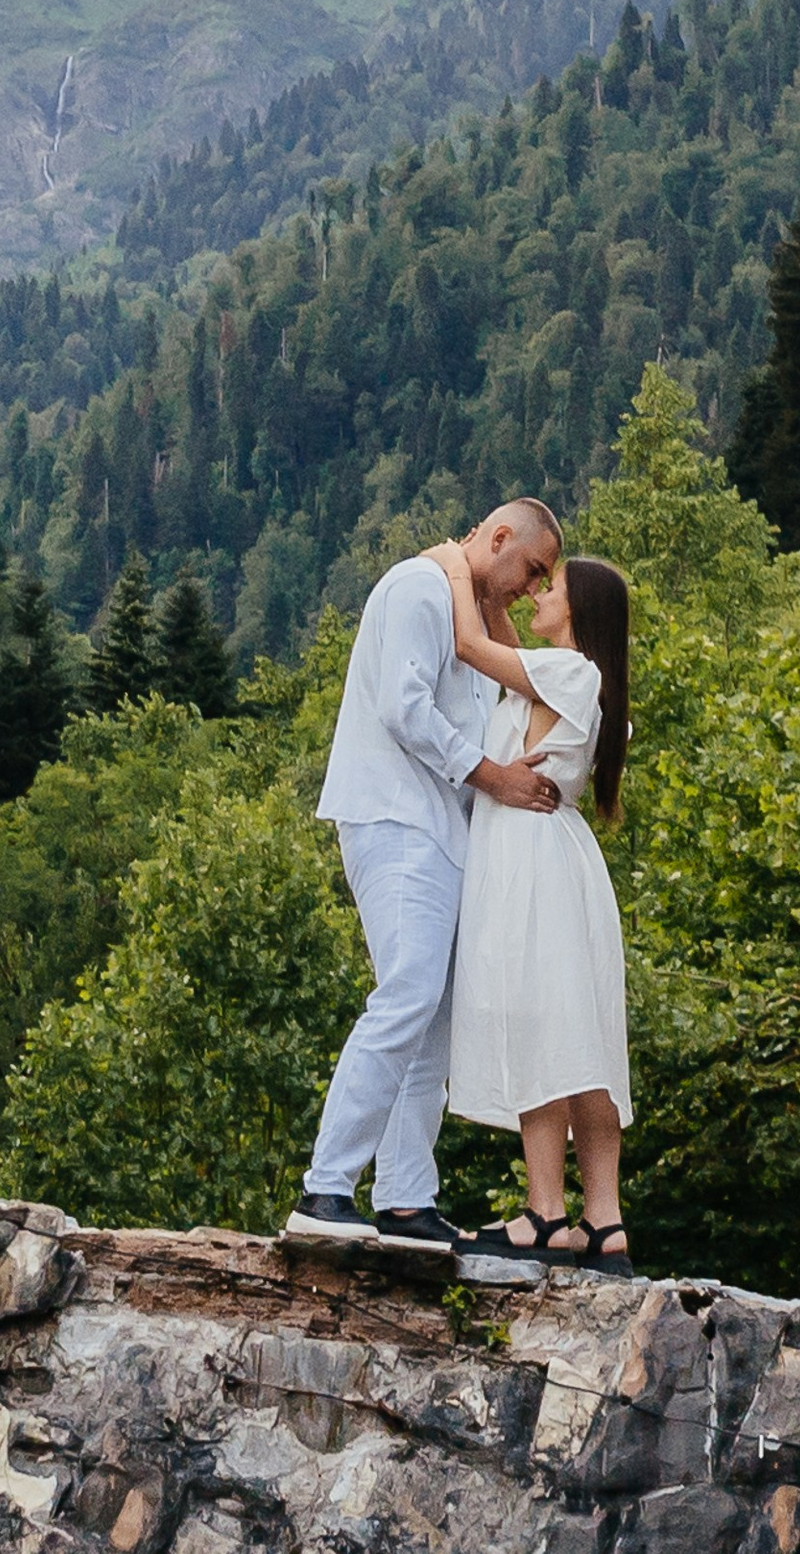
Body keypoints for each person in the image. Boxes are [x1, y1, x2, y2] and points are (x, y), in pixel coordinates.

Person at [286, 499, 565, 1249]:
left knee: (434, 1014)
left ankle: (406, 1198)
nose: (532, 588)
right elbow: (404, 708)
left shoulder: (465, 607)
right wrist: (496, 779)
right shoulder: (417, 588)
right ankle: (325, 1186)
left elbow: (510, 685)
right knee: (408, 990)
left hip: (440, 829)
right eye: (531, 569)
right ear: (499, 538)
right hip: (394, 817)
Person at [435, 537, 636, 1278]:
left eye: (551, 588)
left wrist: (453, 569)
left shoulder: (568, 672)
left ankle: (545, 1211)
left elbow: (471, 646)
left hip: (532, 862)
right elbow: (509, 648)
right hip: (559, 860)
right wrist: (495, 596)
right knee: (580, 1034)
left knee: (538, 1026)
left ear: (577, 610)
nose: (538, 594)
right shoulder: (569, 679)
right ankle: (603, 1221)